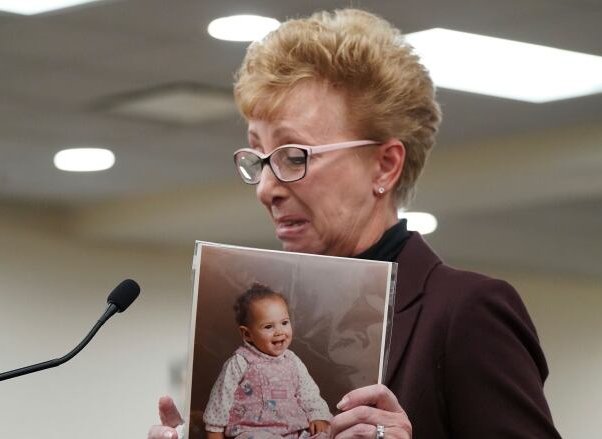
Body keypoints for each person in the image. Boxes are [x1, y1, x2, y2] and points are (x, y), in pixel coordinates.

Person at [149, 8, 560, 439]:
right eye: (259, 157)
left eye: (294, 156)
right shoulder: (275, 310)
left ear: (384, 166)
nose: (265, 188)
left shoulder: (465, 311)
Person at [202, 283, 331, 439]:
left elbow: (309, 393)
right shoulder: (241, 362)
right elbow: (221, 399)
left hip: (294, 430)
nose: (279, 332)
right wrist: (214, 431)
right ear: (247, 334)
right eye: (269, 326)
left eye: (284, 323)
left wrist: (318, 415)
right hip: (253, 432)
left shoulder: (292, 361)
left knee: (327, 434)